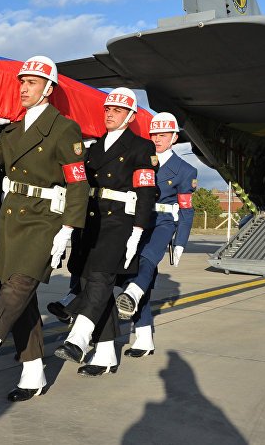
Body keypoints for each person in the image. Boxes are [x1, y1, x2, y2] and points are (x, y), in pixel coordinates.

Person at [0, 56, 90, 401]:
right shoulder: (11, 129)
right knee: (21, 299)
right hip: (13, 220)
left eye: (32, 83)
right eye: (22, 82)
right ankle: (33, 373)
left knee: (19, 285)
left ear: (48, 89)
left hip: (46, 219)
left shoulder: (63, 128)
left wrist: (68, 228)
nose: (24, 88)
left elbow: (77, 183)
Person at [54, 87, 158, 377]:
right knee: (90, 283)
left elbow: (147, 191)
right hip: (92, 220)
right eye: (108, 109)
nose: (110, 113)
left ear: (130, 116)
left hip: (119, 223)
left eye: (118, 110)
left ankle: (78, 338)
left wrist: (138, 230)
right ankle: (106, 353)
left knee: (100, 278)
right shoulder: (93, 147)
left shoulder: (141, 147)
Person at [113, 112, 197, 358]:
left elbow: (186, 209)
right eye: (154, 135)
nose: (157, 139)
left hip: (163, 223)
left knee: (147, 260)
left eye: (163, 135)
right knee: (136, 275)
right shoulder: (139, 160)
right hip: (136, 219)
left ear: (174, 138)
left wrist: (180, 241)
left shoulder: (184, 170)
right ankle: (144, 338)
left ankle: (132, 295)